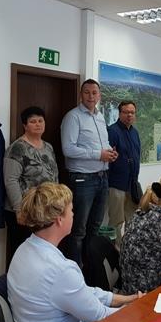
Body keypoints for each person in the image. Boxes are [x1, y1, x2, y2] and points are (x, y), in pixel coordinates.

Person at [7, 182, 141, 322]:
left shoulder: (25, 249)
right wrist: (136, 310)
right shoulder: (59, 270)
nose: (73, 214)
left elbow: (81, 292)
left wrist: (126, 299)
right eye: (71, 210)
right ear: (59, 220)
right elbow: (99, 316)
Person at [60, 79, 117, 265]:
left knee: (95, 228)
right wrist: (98, 154)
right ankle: (76, 271)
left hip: (102, 177)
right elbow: (68, 149)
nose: (91, 96)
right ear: (81, 94)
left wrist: (109, 153)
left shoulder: (100, 117)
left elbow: (102, 144)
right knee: (78, 230)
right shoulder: (73, 117)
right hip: (82, 180)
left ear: (99, 95)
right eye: (87, 92)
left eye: (94, 92)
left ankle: (92, 270)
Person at [4, 106, 59, 267]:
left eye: (40, 121)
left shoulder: (48, 147)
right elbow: (10, 180)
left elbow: (54, 175)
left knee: (41, 255)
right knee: (22, 255)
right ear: (25, 125)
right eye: (33, 121)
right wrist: (19, 210)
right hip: (24, 210)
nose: (38, 124)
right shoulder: (17, 148)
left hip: (45, 209)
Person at [107, 100, 141, 247]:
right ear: (119, 113)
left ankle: (129, 250)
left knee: (132, 220)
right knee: (116, 221)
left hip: (132, 185)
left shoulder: (135, 132)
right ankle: (114, 252)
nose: (129, 115)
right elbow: (108, 159)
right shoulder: (112, 131)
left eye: (132, 112)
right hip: (117, 185)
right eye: (126, 112)